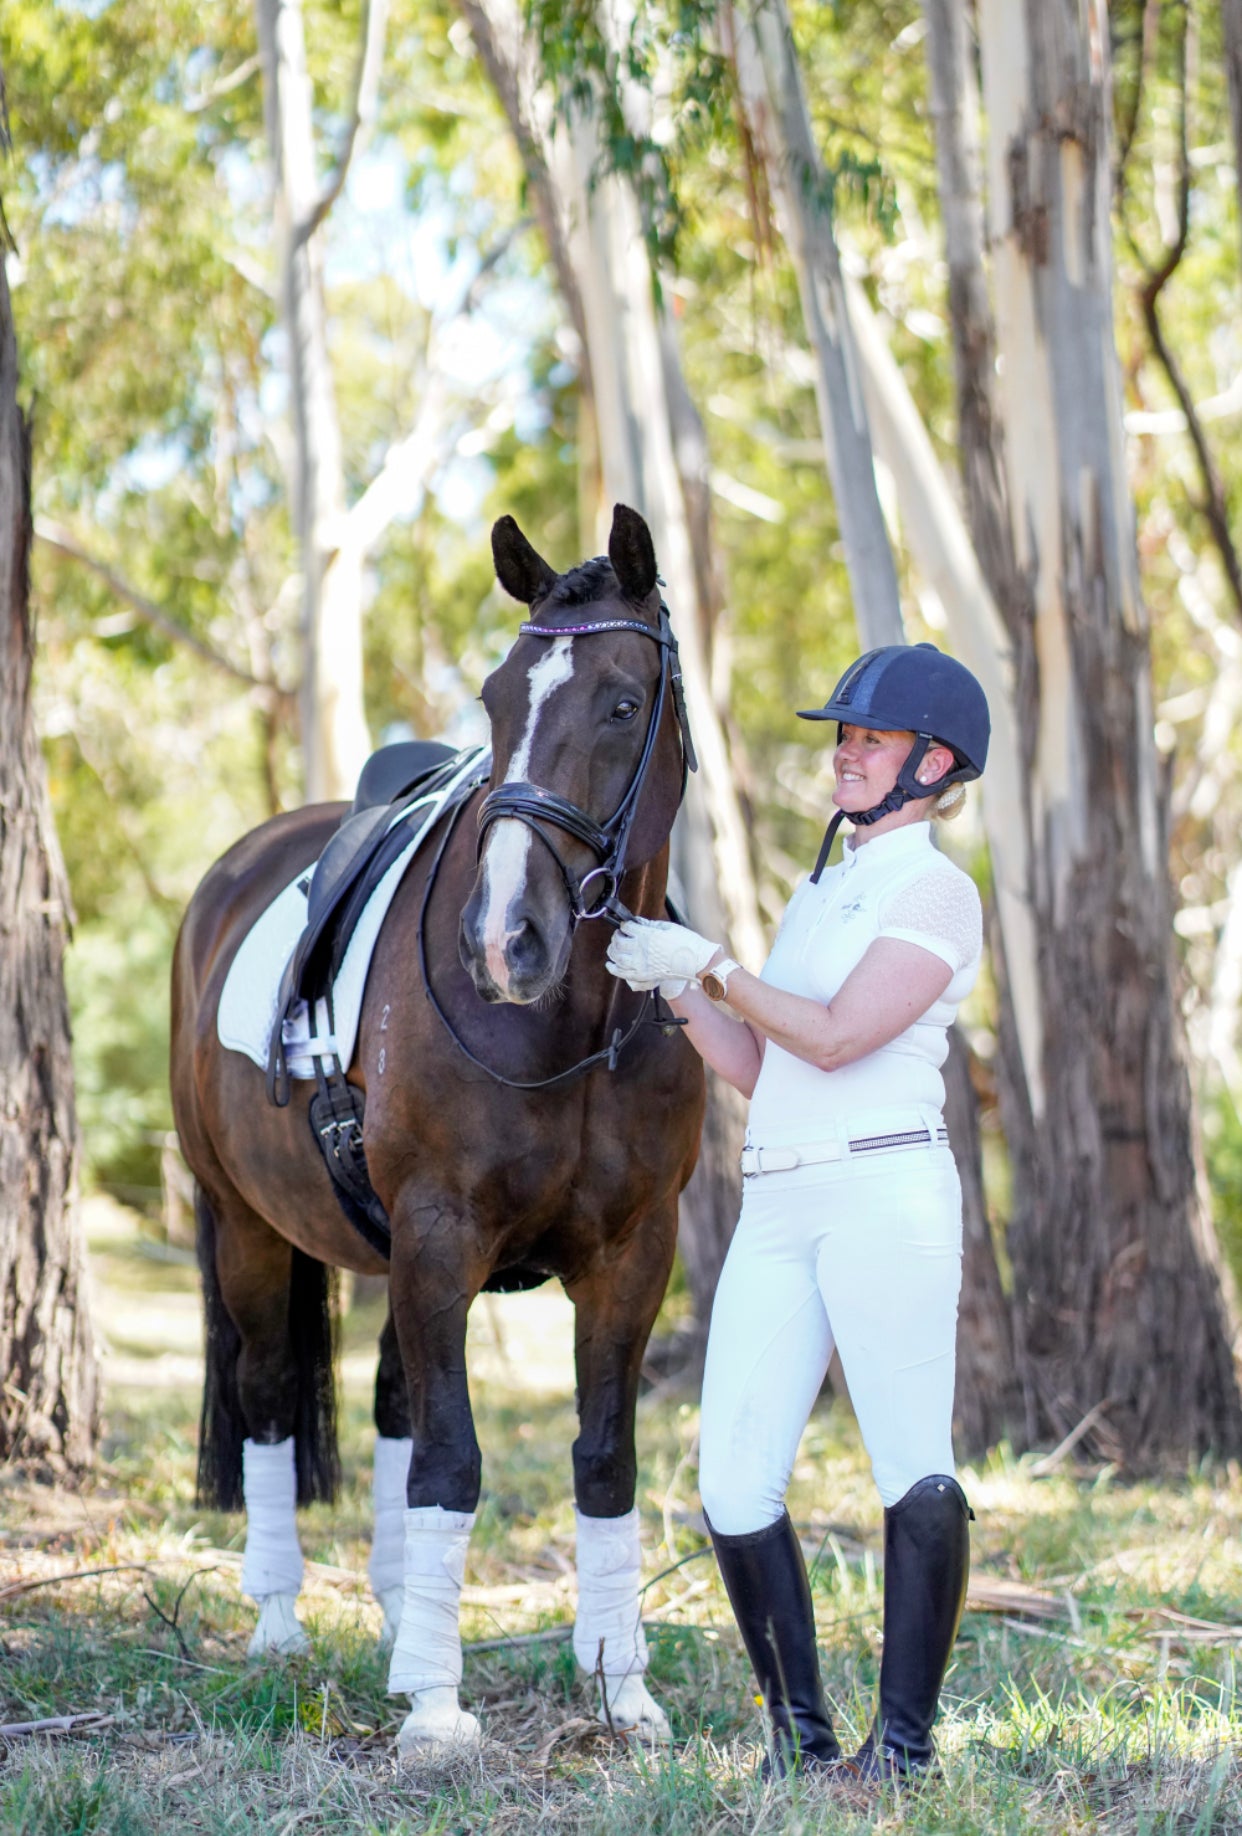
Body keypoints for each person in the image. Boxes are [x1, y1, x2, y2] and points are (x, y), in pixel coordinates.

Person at [606, 641, 989, 1784]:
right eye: (843, 737)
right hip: (781, 1194)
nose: (846, 755)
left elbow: (835, 1036)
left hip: (884, 1195)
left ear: (934, 761)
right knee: (731, 1478)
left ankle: (904, 1751)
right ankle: (801, 1742)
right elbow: (765, 1065)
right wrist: (674, 981)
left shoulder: (937, 890)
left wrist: (713, 959)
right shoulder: (821, 888)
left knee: (911, 1465)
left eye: (869, 739)